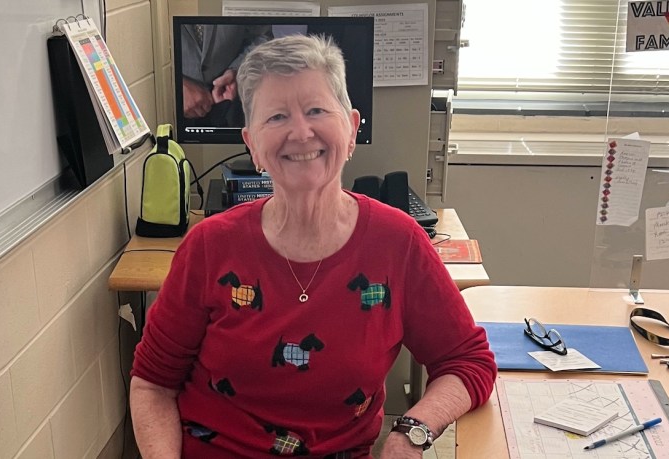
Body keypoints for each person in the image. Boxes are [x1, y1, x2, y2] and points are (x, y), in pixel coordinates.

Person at [131, 34, 497, 458]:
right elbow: (152, 383)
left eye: (317, 110)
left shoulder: (398, 243)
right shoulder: (209, 246)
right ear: (252, 145)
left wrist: (410, 432)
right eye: (277, 117)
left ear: (352, 128)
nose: (301, 132)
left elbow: (468, 362)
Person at [179, 23, 272, 125]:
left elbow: (262, 37)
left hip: (234, 106)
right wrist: (177, 86)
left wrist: (238, 70)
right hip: (170, 110)